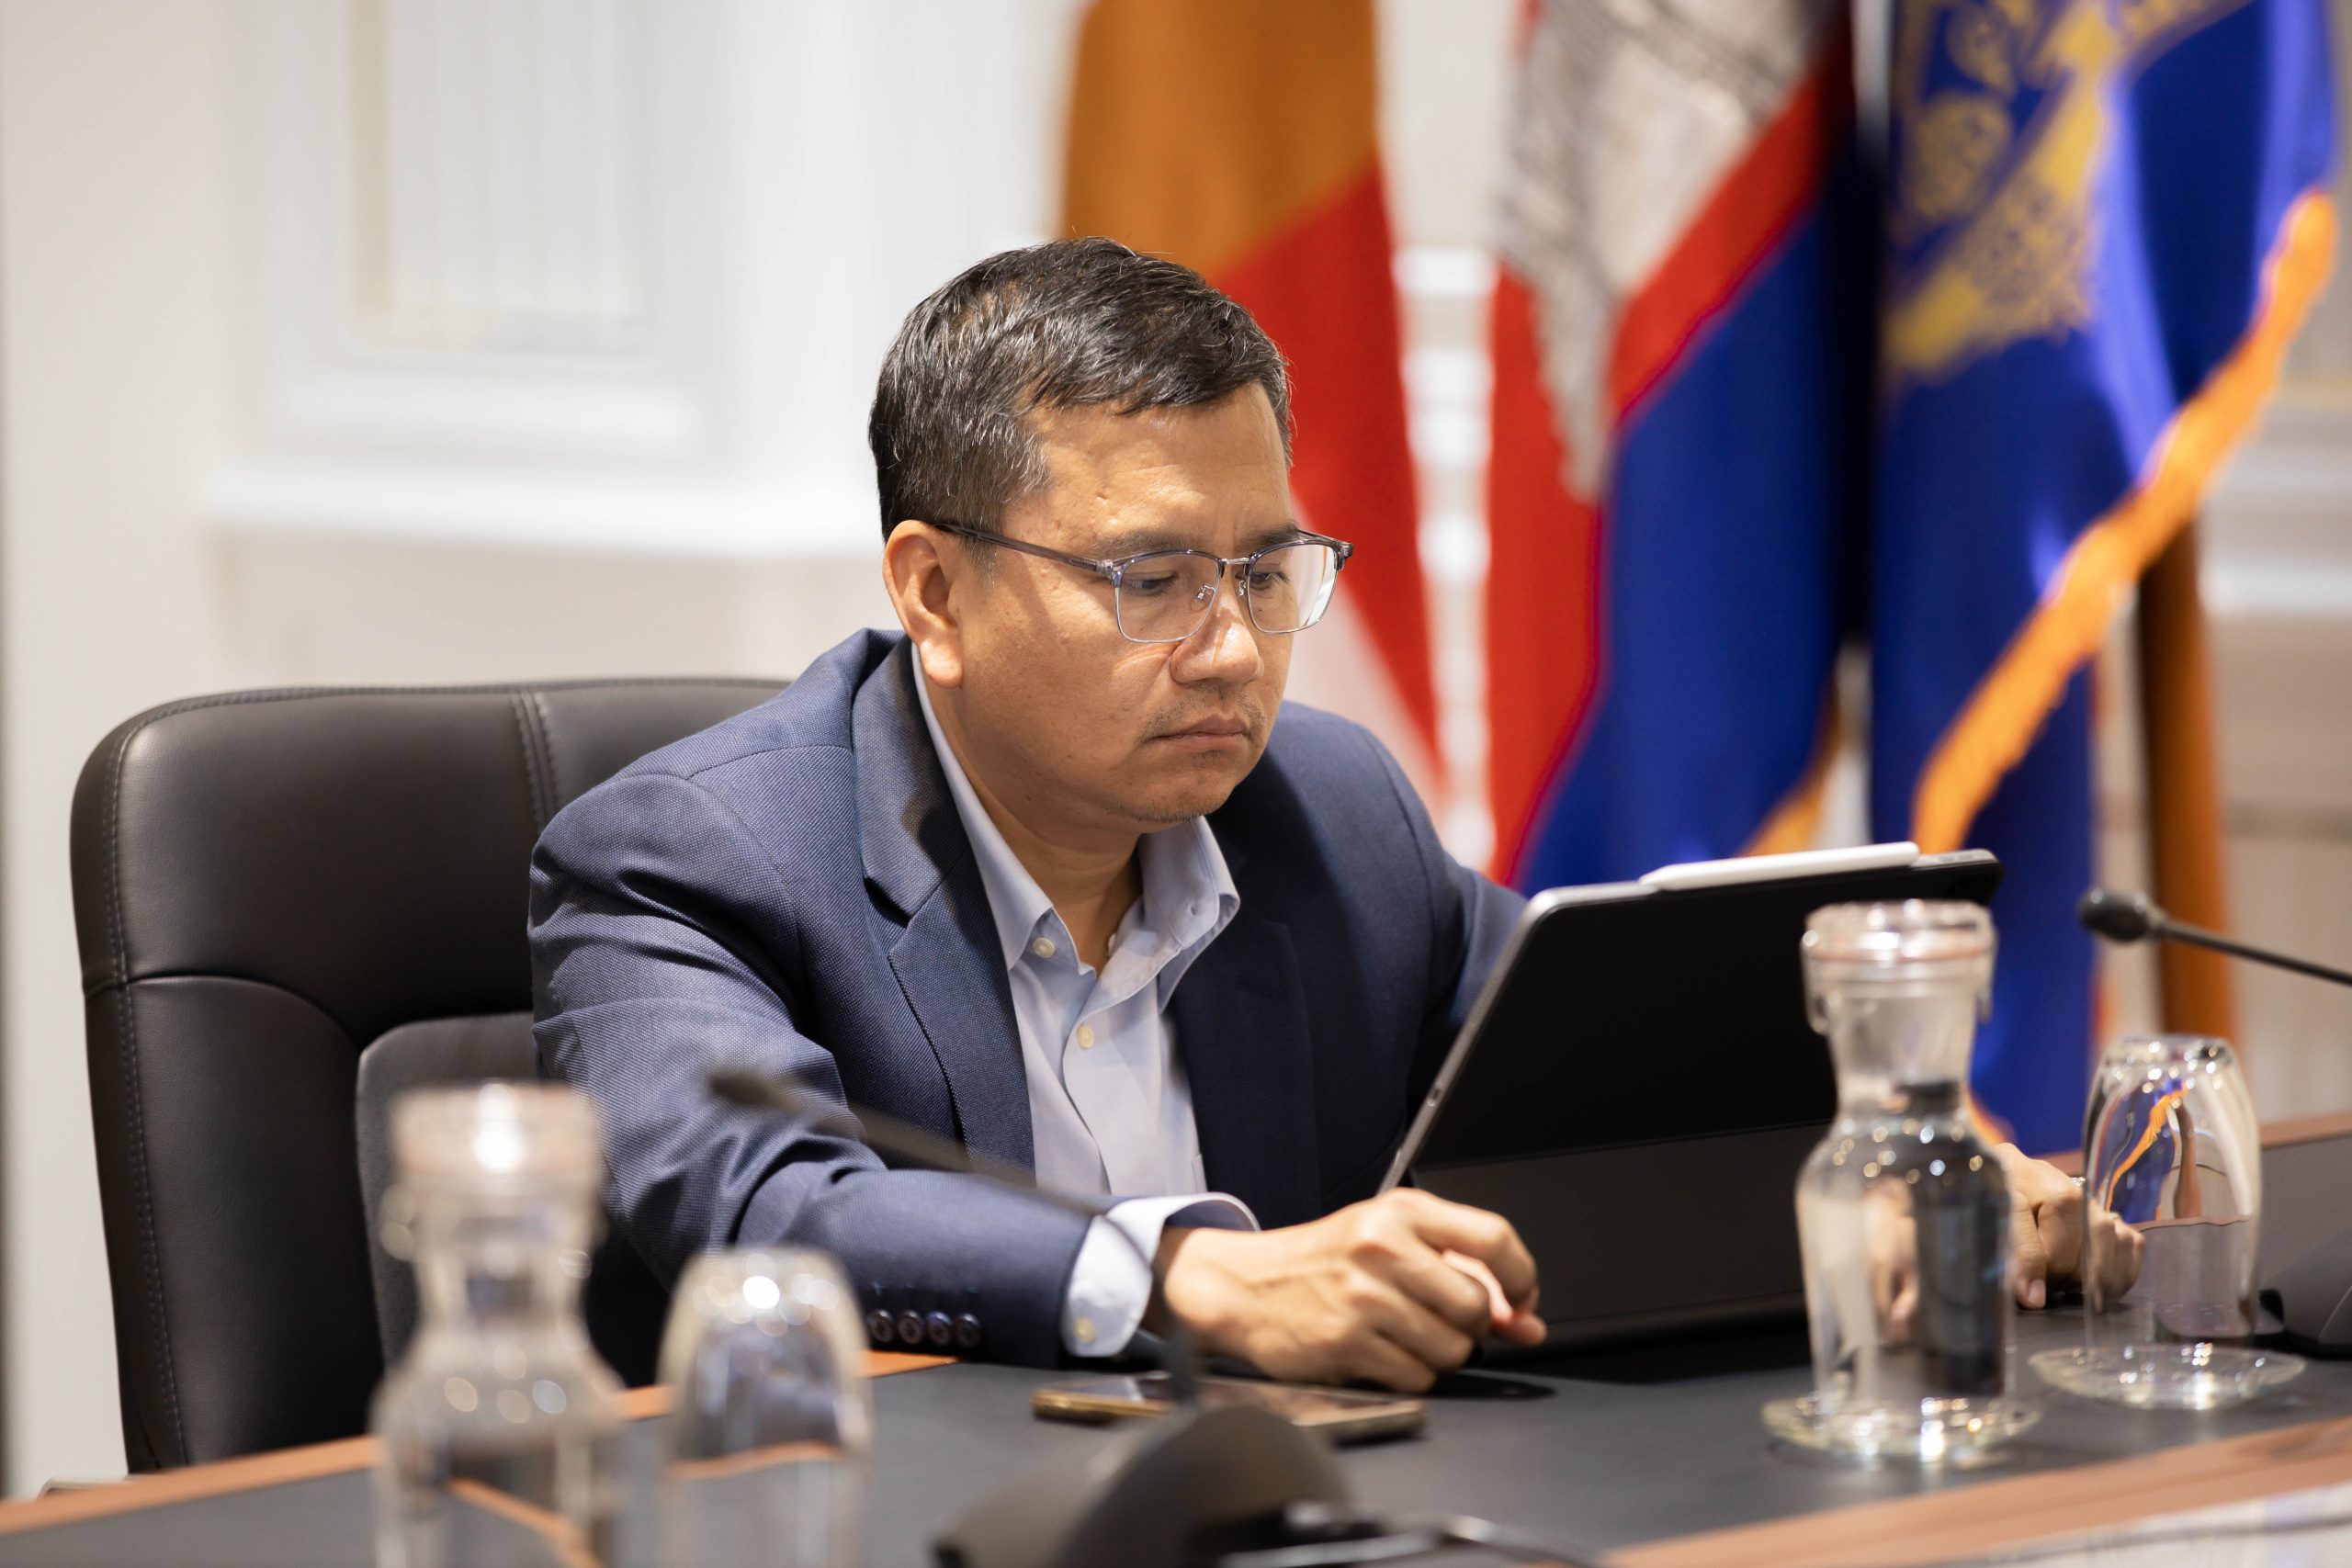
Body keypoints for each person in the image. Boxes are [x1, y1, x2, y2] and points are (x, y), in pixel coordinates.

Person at [530, 237, 2109, 1393]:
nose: (1232, 648)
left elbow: (1607, 1080)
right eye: (1154, 578)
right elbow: (771, 1205)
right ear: (934, 592)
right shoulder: (687, 860)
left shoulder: (1330, 809)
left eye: (1268, 571)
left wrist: (1909, 1161)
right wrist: (1192, 1278)